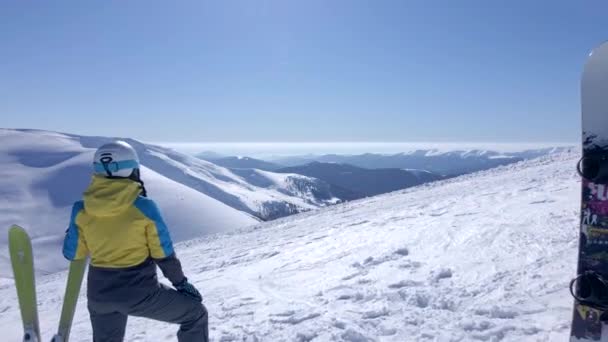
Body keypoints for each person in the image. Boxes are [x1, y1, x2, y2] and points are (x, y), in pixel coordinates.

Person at [62, 141, 208, 342]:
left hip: (99, 297)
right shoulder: (144, 208)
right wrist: (181, 283)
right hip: (139, 293)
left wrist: (71, 233)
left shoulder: (81, 210)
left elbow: (73, 254)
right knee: (195, 314)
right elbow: (163, 254)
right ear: (132, 169)